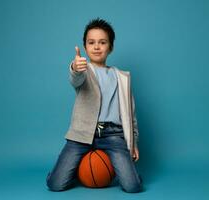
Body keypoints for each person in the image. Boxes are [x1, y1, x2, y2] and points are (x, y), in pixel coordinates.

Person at [46, 18, 142, 193]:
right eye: (91, 42)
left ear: (110, 47)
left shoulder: (122, 77)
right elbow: (75, 78)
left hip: (113, 134)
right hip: (82, 133)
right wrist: (75, 67)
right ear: (85, 46)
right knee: (55, 185)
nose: (97, 47)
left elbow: (130, 113)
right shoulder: (84, 70)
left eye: (102, 42)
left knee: (133, 187)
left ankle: (130, 172)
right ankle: (70, 171)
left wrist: (134, 141)